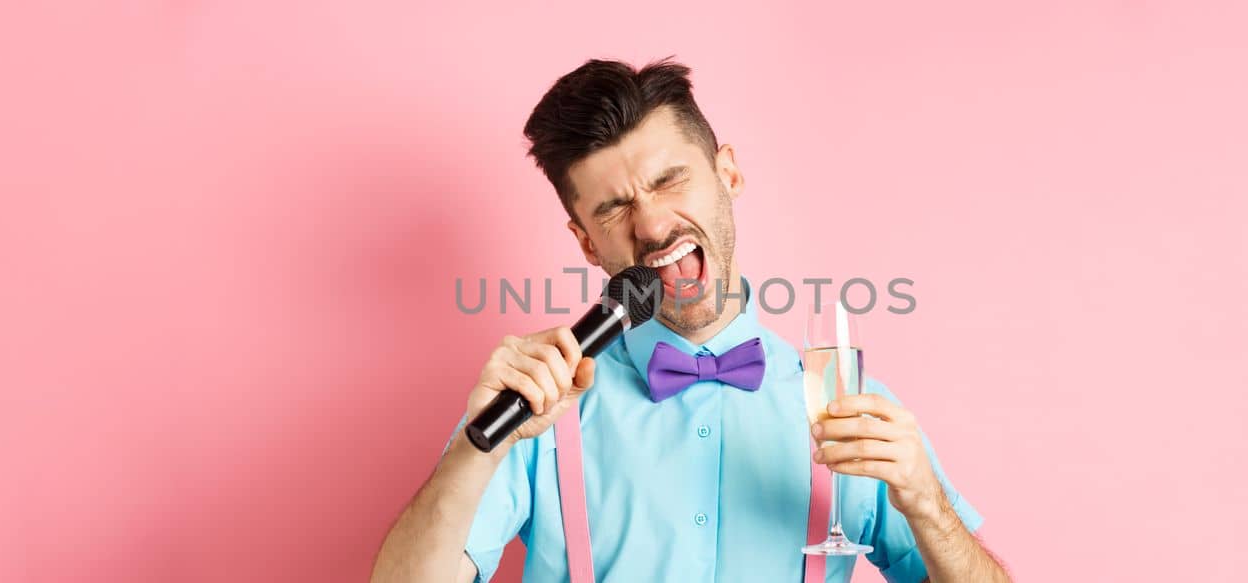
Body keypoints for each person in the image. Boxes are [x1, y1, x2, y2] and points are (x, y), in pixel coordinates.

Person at [371, 58, 1009, 583]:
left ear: (726, 172)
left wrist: (928, 508)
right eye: (615, 207)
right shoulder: (538, 405)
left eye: (669, 180)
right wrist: (472, 452)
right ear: (587, 244)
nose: (650, 225)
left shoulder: (846, 405)